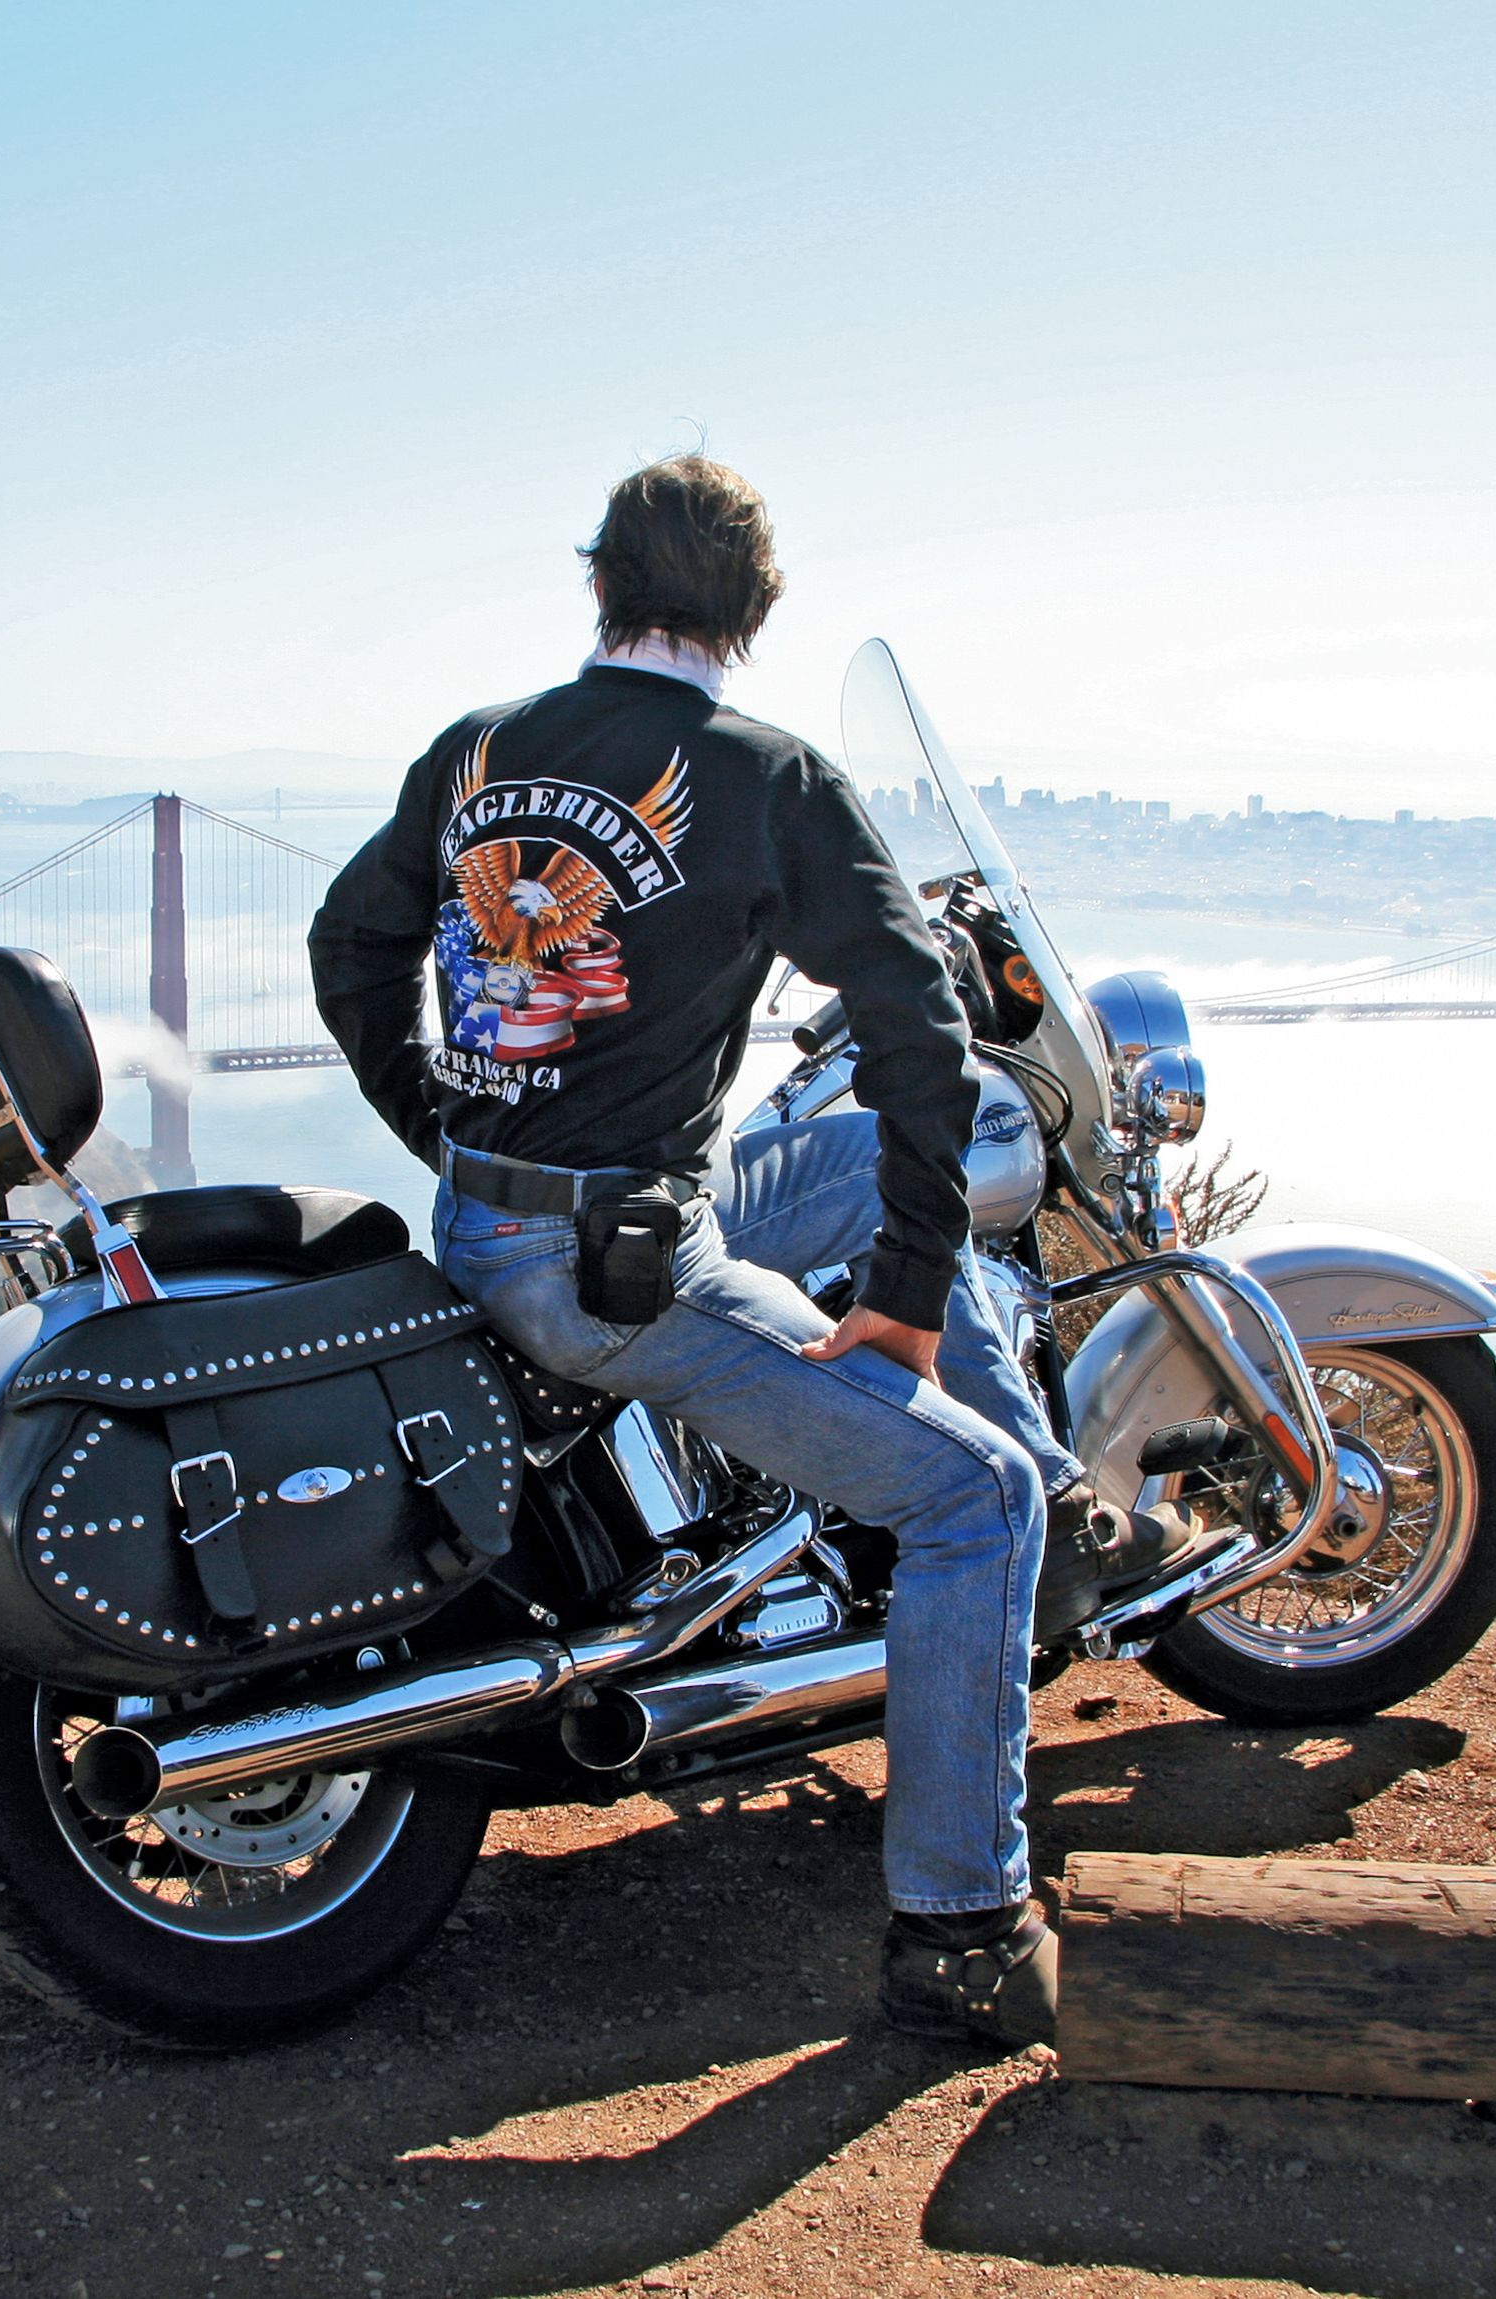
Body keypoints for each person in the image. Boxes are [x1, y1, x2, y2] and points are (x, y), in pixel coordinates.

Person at [311, 455, 1093, 2046]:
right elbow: (922, 1038)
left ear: (597, 582)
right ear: (754, 607)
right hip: (617, 1274)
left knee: (864, 1165)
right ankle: (963, 1927)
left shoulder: (477, 750)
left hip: (516, 1213)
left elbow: (351, 942)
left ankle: (1060, 1530)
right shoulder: (765, 776)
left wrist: (449, 1133)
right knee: (969, 1499)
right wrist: (906, 1300)